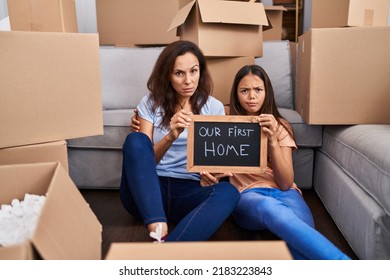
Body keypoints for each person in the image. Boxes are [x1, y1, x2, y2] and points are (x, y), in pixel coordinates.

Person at [200, 65, 351, 260]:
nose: (251, 96)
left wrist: (271, 140)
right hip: (248, 195)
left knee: (302, 238)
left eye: (258, 90)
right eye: (244, 90)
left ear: (267, 92)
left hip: (285, 193)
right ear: (236, 94)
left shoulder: (280, 125)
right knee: (269, 208)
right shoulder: (225, 119)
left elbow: (286, 183)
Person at [120, 40, 240, 242]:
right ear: (167, 75)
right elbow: (145, 159)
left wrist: (213, 174)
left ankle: (170, 250)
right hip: (148, 191)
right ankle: (158, 227)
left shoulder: (214, 107)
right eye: (179, 73)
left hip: (190, 192)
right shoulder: (150, 103)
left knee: (229, 192)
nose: (188, 81)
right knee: (136, 140)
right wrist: (171, 136)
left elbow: (214, 161)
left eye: (194, 71)